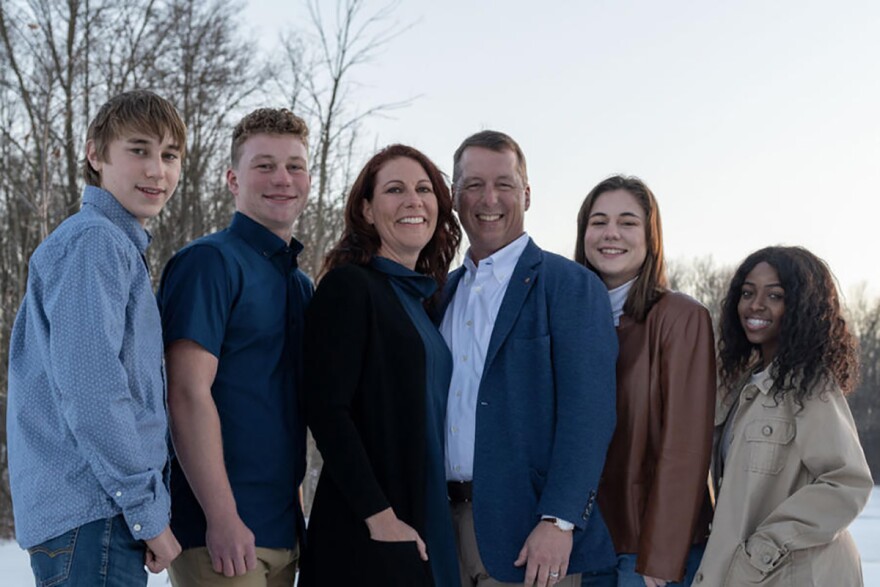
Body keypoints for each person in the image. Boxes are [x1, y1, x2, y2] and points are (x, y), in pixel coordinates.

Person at [7, 90, 186, 586]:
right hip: (95, 514)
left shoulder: (110, 243)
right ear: (95, 154)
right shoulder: (95, 241)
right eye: (139, 149)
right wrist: (147, 512)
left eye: (170, 155)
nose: (157, 170)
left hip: (94, 518)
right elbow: (92, 392)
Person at [441, 130, 618, 587]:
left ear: (527, 194)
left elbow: (590, 415)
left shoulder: (571, 287)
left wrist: (559, 520)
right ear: (454, 197)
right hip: (441, 533)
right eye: (474, 185)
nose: (489, 199)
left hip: (530, 538)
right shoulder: (441, 294)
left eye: (504, 184)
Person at [157, 108, 313, 586]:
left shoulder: (300, 284)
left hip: (282, 529)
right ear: (232, 179)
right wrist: (222, 517)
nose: (282, 178)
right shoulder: (209, 263)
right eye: (264, 165)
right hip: (220, 534)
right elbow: (186, 393)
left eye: (294, 166)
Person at [299, 144, 462, 586]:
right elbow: (326, 410)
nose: (413, 201)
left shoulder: (421, 301)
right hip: (368, 532)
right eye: (395, 190)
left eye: (424, 189)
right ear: (367, 211)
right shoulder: (350, 287)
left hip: (422, 518)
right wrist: (380, 517)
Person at [693, 246, 873, 586]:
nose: (755, 305)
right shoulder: (745, 387)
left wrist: (765, 549)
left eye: (775, 295)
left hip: (799, 573)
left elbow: (846, 483)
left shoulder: (809, 385)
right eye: (748, 293)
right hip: (751, 574)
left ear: (802, 307)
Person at [575, 176, 715, 587]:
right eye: (599, 222)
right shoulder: (567, 318)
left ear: (650, 237)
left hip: (645, 553)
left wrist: (664, 554)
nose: (611, 233)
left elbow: (686, 445)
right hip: (579, 543)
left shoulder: (680, 317)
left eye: (627, 222)